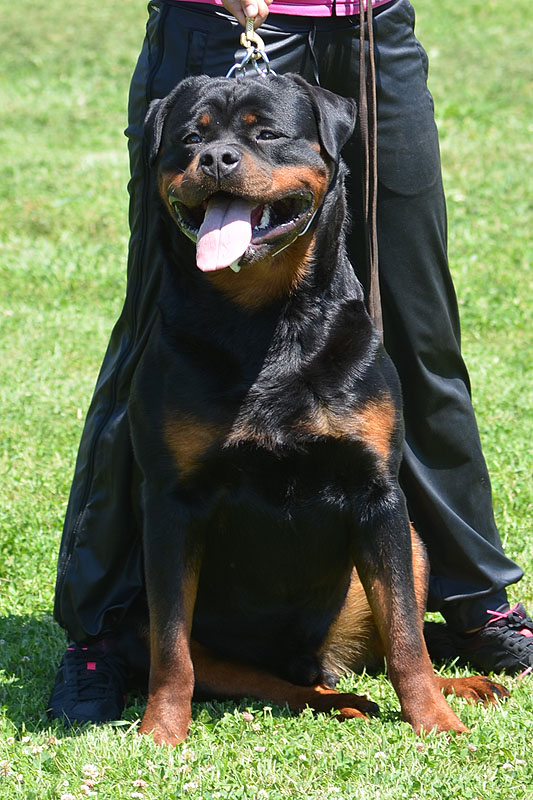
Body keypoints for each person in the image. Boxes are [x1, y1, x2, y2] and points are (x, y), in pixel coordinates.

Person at [48, 0, 533, 724]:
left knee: (420, 330)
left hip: (367, 25)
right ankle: (101, 634)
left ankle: (476, 607)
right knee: (146, 341)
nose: (218, 160)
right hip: (209, 18)